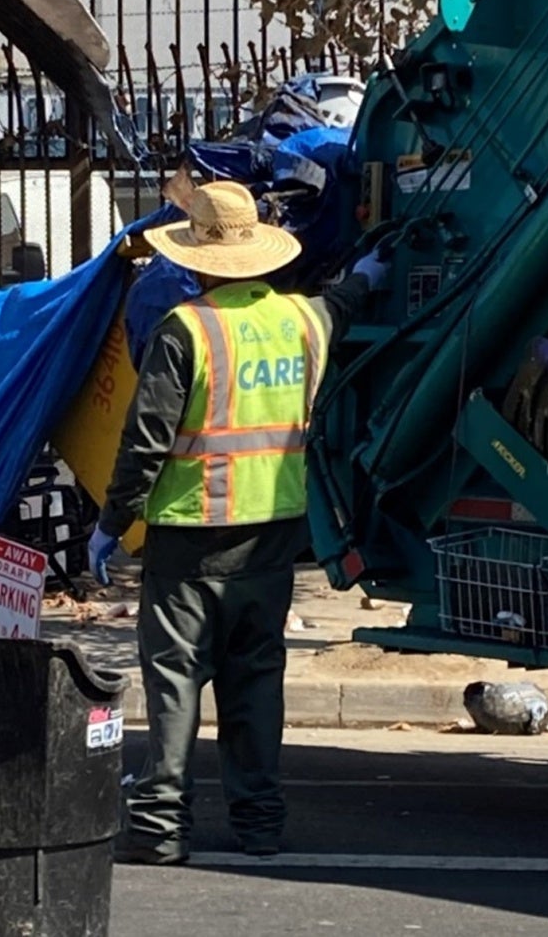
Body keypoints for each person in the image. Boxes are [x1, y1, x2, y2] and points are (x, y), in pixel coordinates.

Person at [88, 180, 388, 865]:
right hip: (274, 533)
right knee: (255, 679)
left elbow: (146, 440)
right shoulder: (303, 322)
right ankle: (259, 824)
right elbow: (340, 303)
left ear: (197, 259)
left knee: (175, 679)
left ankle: (161, 828)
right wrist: (370, 275)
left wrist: (112, 522)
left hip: (189, 538)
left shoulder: (185, 329)